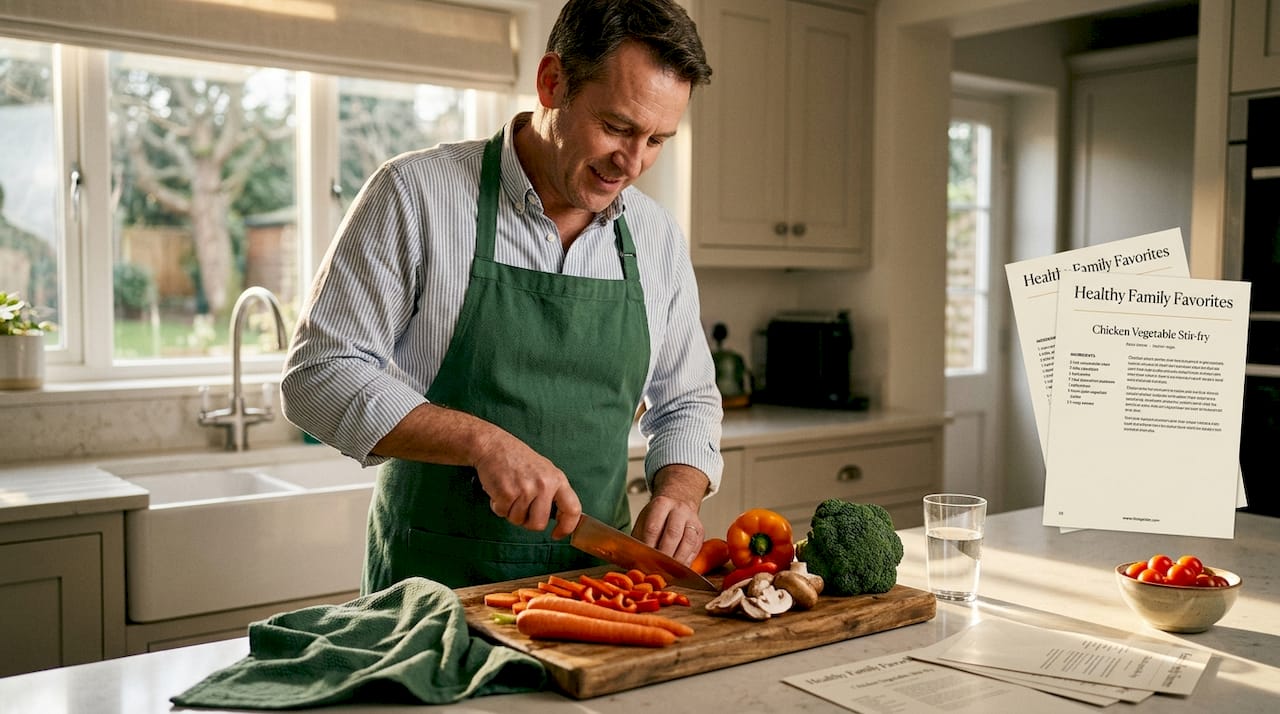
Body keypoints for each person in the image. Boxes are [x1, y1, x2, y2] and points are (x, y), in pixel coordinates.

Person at [281, 0, 723, 593]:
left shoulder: (656, 236)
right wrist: (481, 442)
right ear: (551, 82)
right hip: (435, 592)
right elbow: (318, 377)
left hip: (599, 590)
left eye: (657, 140)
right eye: (617, 127)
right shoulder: (416, 196)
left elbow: (688, 397)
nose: (633, 161)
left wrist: (678, 492)